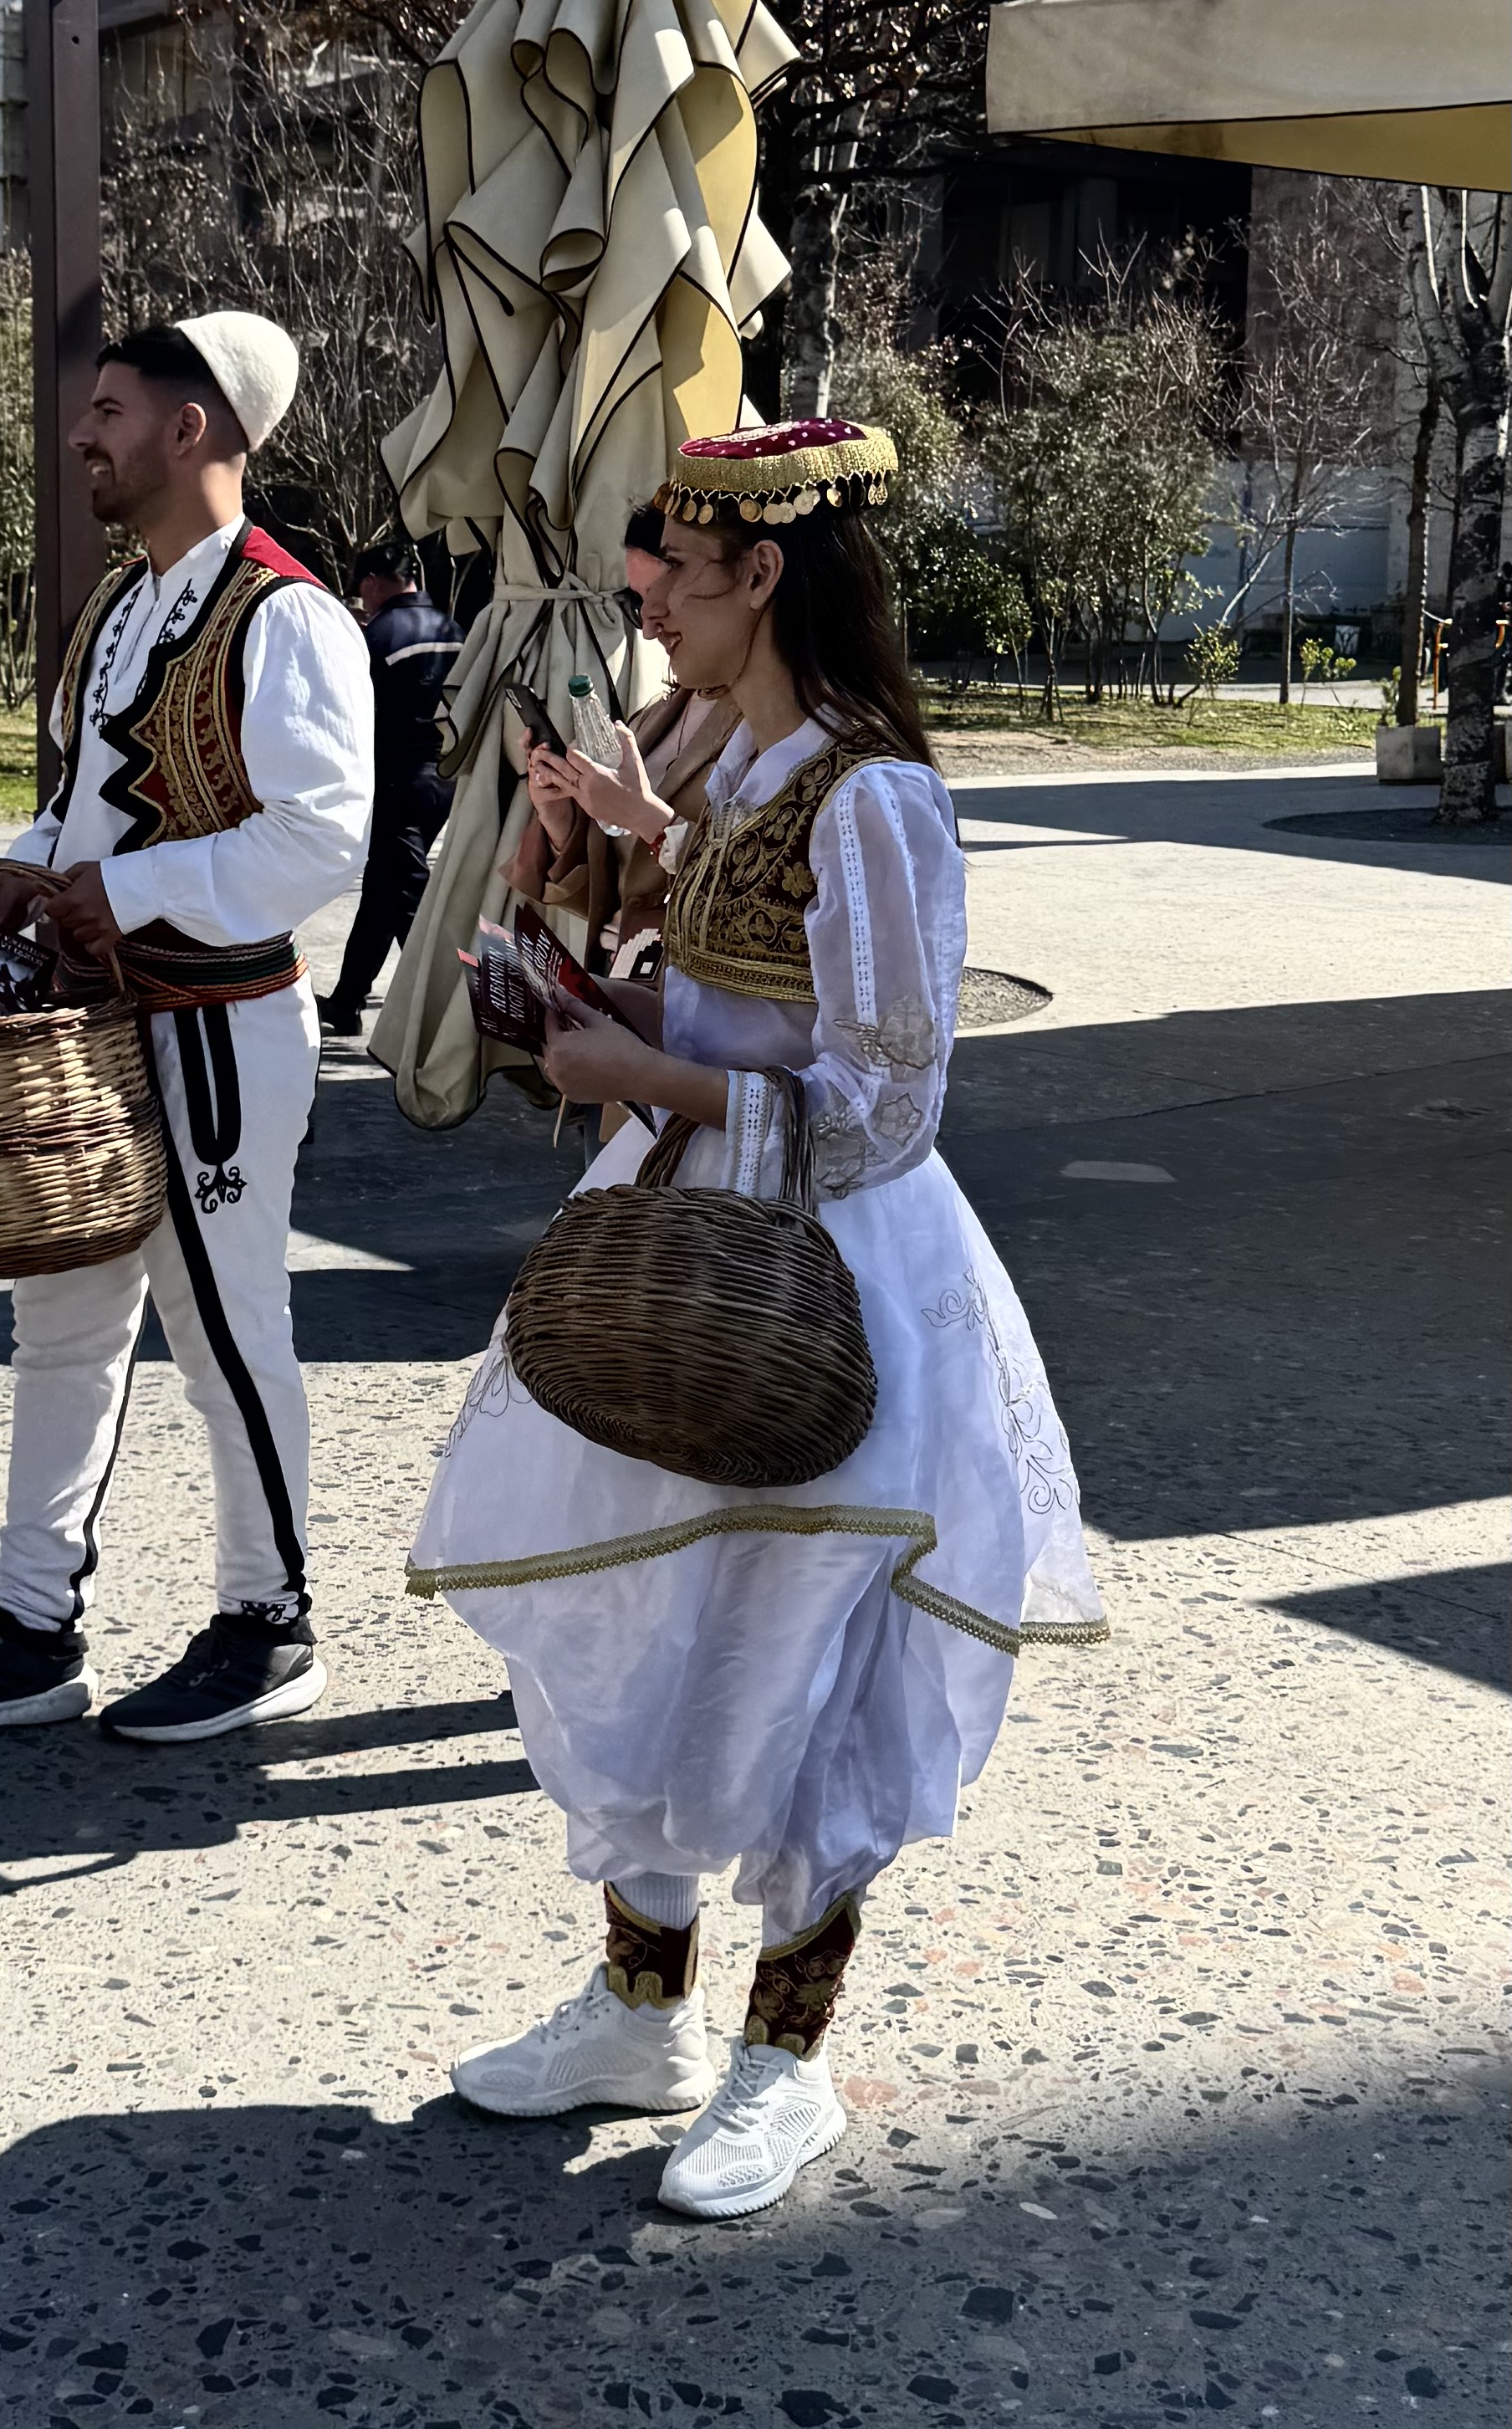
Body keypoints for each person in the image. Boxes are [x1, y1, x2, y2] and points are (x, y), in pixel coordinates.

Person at [407, 419, 1106, 2220]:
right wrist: (593, 951)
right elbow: (725, 999)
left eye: (684, 586)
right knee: (658, 1603)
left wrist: (645, 1066)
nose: (659, 622)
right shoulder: (743, 766)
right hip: (679, 1234)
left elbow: (887, 1105)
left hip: (829, 1279)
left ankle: (783, 2061)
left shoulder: (873, 793)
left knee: (808, 1650)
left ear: (765, 578)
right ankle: (640, 2006)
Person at [0, 314, 375, 1750]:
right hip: (96, 1027)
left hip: (215, 1029)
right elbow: (83, 799)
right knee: (61, 1325)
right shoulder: (122, 605)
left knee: (224, 1323)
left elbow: (323, 835)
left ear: (192, 429)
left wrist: (116, 889)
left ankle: (272, 1622)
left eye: (109, 410)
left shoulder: (289, 617)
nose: (84, 434)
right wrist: (27, 879)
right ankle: (34, 1625)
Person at [501, 508, 737, 987]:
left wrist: (646, 817)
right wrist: (561, 818)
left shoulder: (774, 731)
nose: (648, 626)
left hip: (692, 1011)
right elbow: (618, 889)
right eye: (638, 601)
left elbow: (760, 900)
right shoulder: (657, 713)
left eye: (663, 596)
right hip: (620, 991)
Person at [315, 537, 464, 1036]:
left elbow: (347, 716)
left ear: (374, 583)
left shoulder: (374, 637)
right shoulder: (453, 629)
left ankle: (449, 1009)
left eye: (363, 590)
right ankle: (347, 1000)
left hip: (397, 781)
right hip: (446, 778)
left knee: (408, 897)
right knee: (384, 887)